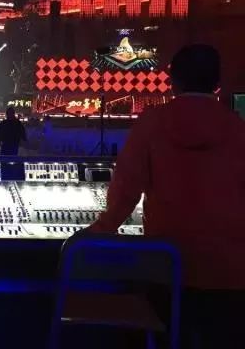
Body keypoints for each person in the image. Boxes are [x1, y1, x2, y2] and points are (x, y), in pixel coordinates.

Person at [88, 45, 245, 348]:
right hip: (231, 273)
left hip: (166, 267)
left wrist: (98, 231)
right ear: (217, 82)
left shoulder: (152, 123)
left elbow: (126, 189)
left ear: (173, 81)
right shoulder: (238, 128)